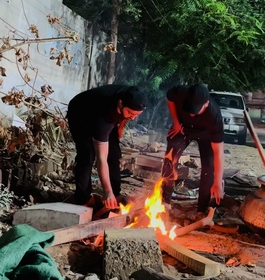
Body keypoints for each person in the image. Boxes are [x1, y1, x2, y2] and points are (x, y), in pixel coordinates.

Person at [66, 85, 146, 209]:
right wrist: (106, 191)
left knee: (114, 153)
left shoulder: (131, 95)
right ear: (120, 103)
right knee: (87, 155)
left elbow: (127, 114)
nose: (133, 117)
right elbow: (101, 159)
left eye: (137, 115)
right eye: (130, 113)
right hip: (80, 113)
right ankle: (82, 199)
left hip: (105, 112)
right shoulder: (105, 119)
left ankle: (115, 193)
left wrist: (120, 128)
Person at [161, 83, 224, 218]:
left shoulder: (214, 116)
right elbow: (169, 98)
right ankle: (164, 202)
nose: (191, 113)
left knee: (208, 169)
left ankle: (201, 209)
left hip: (206, 134)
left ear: (206, 104)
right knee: (169, 159)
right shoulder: (180, 92)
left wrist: (218, 182)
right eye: (189, 109)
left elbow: (218, 152)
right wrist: (176, 122)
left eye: (195, 110)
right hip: (183, 128)